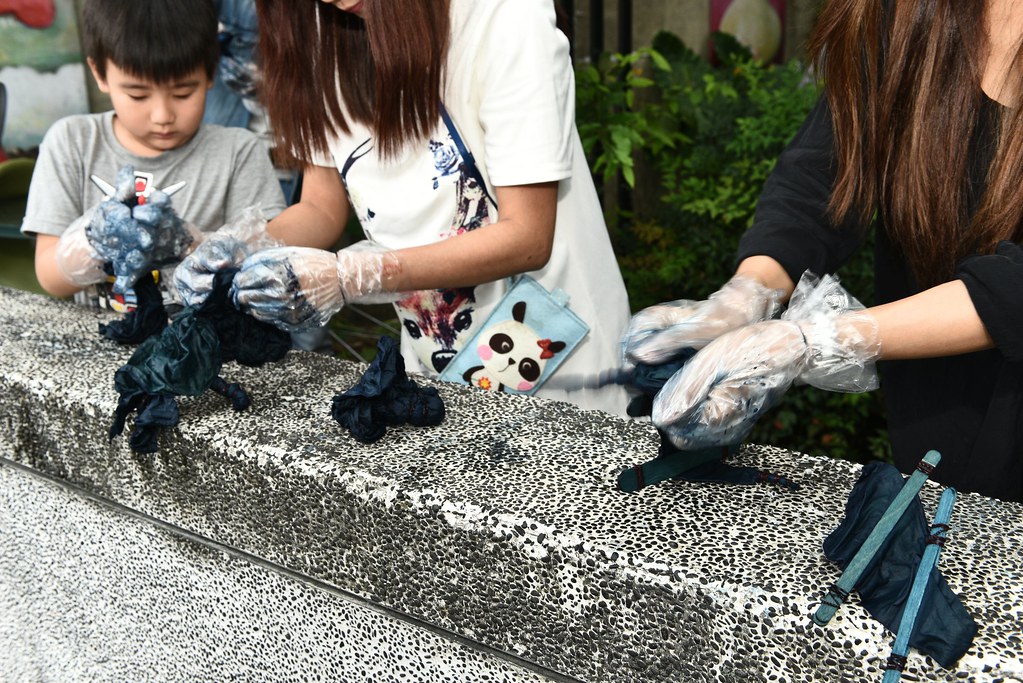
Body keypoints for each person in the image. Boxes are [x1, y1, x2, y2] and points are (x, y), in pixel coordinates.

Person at [624, 0, 1023, 502]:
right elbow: (825, 178)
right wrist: (749, 294)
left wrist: (816, 341)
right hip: (935, 422)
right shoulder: (905, 13)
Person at [179, 0, 631, 415]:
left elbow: (528, 236)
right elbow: (320, 207)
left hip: (557, 352)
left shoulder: (502, 16)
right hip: (434, 361)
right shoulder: (312, 29)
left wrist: (351, 276)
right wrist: (236, 247)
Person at [22, 0, 286, 309]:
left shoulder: (239, 152)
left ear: (211, 73)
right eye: (138, 95)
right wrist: (94, 242)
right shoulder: (72, 142)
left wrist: (195, 245)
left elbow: (268, 263)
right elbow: (51, 279)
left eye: (182, 93)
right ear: (100, 73)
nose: (162, 115)